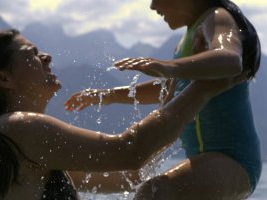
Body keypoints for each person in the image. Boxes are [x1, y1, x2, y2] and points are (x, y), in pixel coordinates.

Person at [0, 29, 247, 200]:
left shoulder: (24, 143)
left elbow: (132, 172)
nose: (46, 57)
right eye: (31, 53)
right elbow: (129, 150)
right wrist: (202, 88)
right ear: (3, 79)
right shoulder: (17, 128)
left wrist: (179, 94)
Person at [65, 0, 262, 199]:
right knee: (121, 176)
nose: (152, 7)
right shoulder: (186, 40)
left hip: (235, 160)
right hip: (205, 160)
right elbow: (173, 88)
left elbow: (230, 59)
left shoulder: (216, 16)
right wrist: (109, 95)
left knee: (155, 192)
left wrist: (167, 66)